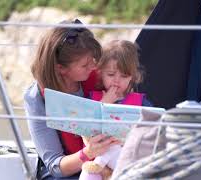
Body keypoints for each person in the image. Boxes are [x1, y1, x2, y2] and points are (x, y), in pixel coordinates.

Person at [24, 19, 120, 179]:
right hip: (67, 173)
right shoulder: (36, 98)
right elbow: (55, 167)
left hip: (107, 165)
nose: (93, 67)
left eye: (94, 60)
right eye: (85, 65)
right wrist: (88, 152)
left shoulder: (101, 78)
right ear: (60, 68)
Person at [79, 40, 152, 180]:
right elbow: (83, 129)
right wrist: (103, 104)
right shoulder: (92, 99)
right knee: (88, 175)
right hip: (98, 164)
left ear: (133, 76)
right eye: (111, 75)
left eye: (124, 76)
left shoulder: (141, 102)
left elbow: (154, 129)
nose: (117, 81)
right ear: (100, 73)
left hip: (128, 164)